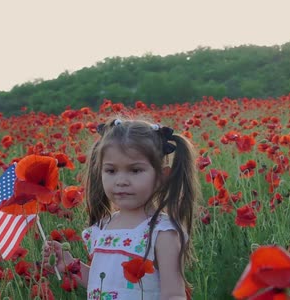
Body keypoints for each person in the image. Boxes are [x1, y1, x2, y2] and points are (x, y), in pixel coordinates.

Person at [42, 117, 200, 300]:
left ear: (161, 177)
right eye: (111, 171)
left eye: (135, 170)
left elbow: (174, 295)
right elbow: (100, 285)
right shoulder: (103, 227)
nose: (121, 181)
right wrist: (68, 264)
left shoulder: (162, 232)